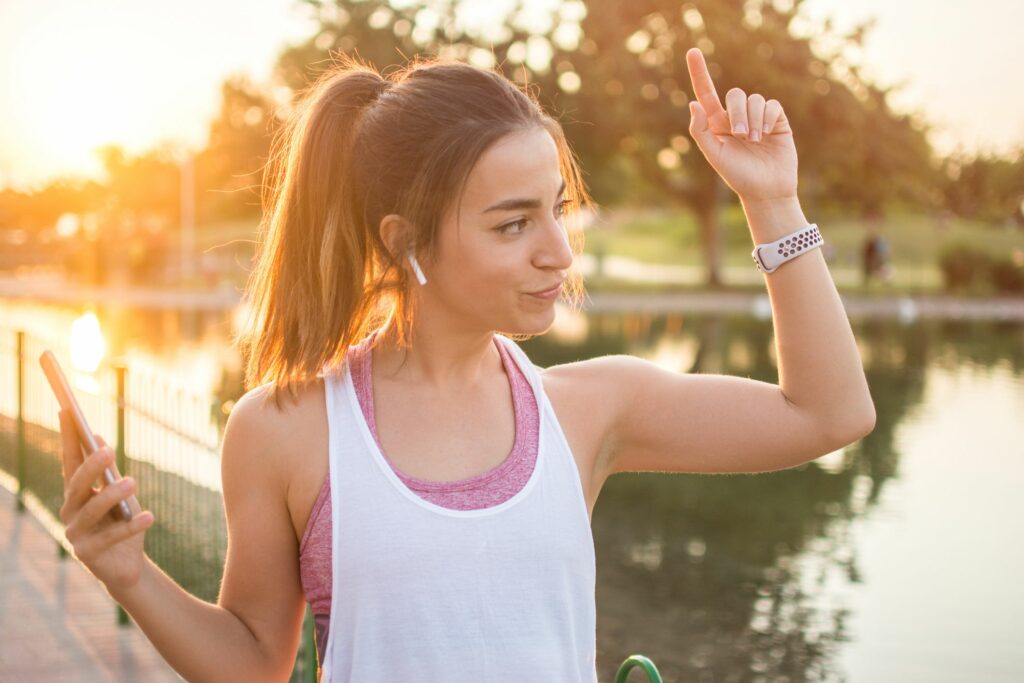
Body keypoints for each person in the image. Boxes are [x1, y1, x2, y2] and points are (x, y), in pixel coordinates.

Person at [57, 49, 875, 682]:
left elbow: (829, 413)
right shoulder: (285, 428)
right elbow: (253, 664)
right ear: (405, 239)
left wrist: (772, 202)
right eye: (513, 224)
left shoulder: (588, 408)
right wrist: (129, 574)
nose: (558, 251)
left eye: (557, 209)